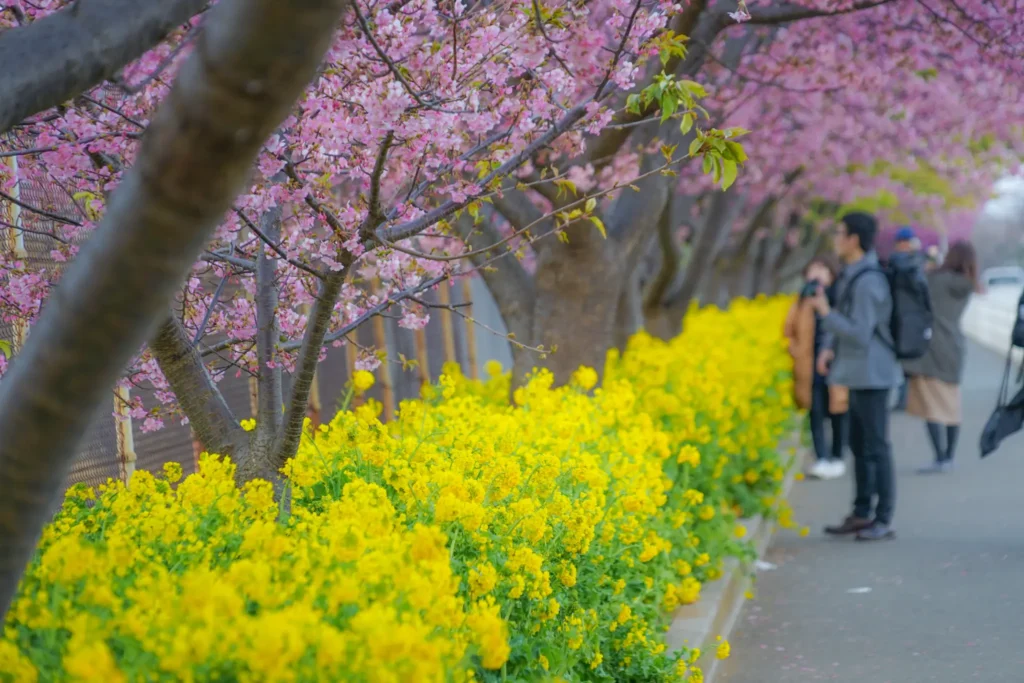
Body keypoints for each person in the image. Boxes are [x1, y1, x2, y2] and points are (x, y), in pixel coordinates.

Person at [811, 212, 903, 541]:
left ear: (853, 239)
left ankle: (884, 517)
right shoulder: (855, 275)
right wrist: (828, 347)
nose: (836, 239)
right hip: (858, 372)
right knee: (860, 445)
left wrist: (825, 313)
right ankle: (862, 512)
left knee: (877, 446)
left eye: (839, 233)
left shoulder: (869, 281)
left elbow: (861, 333)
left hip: (874, 374)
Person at [903, 241, 979, 472]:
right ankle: (949, 456)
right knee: (951, 405)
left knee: (931, 405)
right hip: (954, 346)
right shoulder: (967, 284)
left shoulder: (936, 279)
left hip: (931, 347)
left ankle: (940, 457)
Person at [784, 255, 849, 479]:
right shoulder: (804, 298)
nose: (818, 273)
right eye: (813, 269)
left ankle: (838, 455)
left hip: (835, 363)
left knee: (839, 410)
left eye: (822, 268)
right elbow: (788, 329)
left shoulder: (840, 295)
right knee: (816, 411)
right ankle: (821, 457)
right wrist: (794, 349)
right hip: (809, 364)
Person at [888, 227, 926, 411]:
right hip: (907, 318)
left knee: (902, 364)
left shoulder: (896, 262)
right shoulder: (911, 263)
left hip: (899, 317)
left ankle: (902, 399)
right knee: (904, 364)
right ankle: (903, 399)